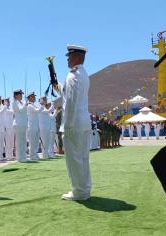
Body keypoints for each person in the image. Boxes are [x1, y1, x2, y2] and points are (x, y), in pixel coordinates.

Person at [54, 44, 91, 201]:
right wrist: (58, 86)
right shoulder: (83, 74)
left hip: (73, 125)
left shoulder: (73, 75)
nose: (67, 60)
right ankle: (85, 189)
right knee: (82, 158)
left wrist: (67, 126)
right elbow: (68, 92)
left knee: (74, 159)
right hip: (83, 123)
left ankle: (79, 192)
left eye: (69, 57)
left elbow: (70, 103)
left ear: (76, 57)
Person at [12, 89, 28, 162]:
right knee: (19, 142)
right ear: (16, 95)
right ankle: (19, 157)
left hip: (23, 123)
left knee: (23, 141)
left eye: (21, 94)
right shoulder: (15, 103)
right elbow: (20, 110)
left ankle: (23, 156)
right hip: (18, 124)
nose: (21, 96)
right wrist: (25, 104)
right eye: (20, 94)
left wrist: (25, 104)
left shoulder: (21, 102)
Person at [26, 92, 43, 160]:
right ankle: (32, 155)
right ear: (29, 98)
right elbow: (37, 111)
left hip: (36, 126)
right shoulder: (30, 106)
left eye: (34, 96)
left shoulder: (34, 105)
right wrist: (42, 105)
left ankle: (35, 154)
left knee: (36, 141)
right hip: (32, 126)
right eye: (33, 97)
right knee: (32, 142)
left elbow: (39, 111)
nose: (34, 98)